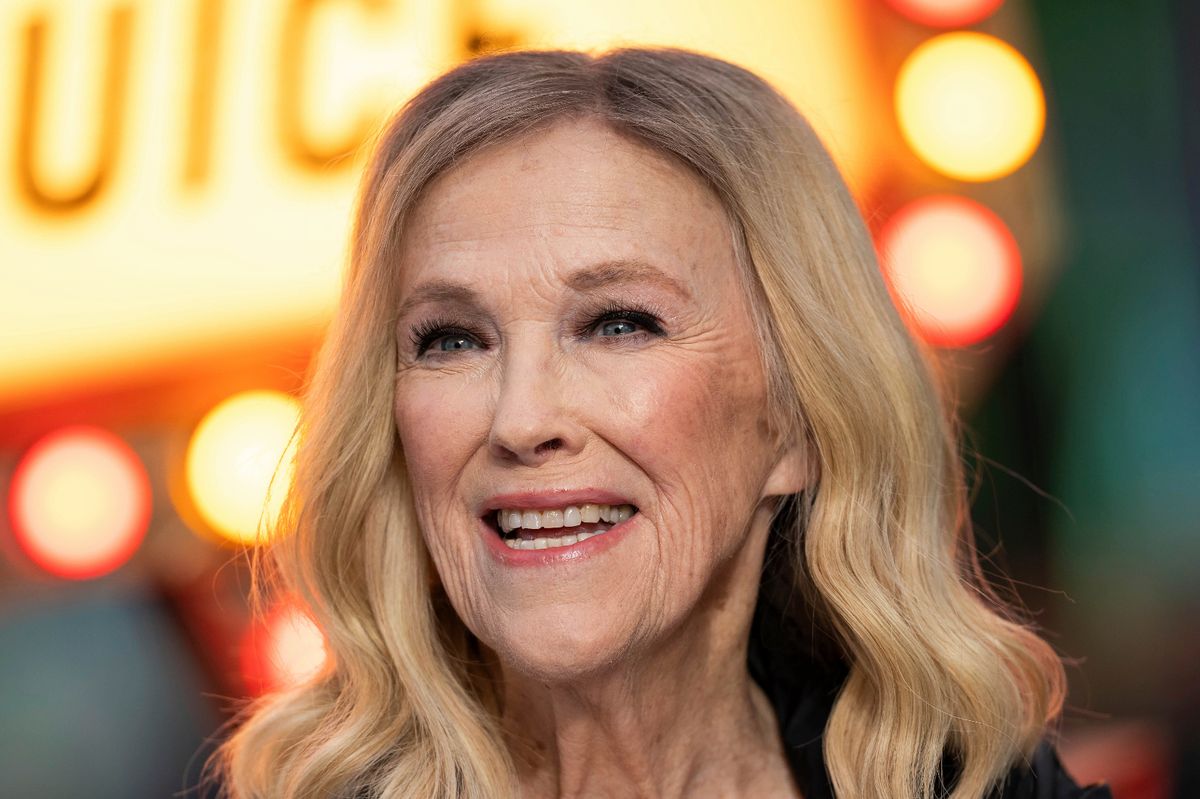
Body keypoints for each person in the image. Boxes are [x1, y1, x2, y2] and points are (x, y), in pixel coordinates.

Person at [211, 47, 1113, 798]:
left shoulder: (976, 783)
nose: (521, 418)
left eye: (619, 324)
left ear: (799, 420)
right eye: (451, 339)